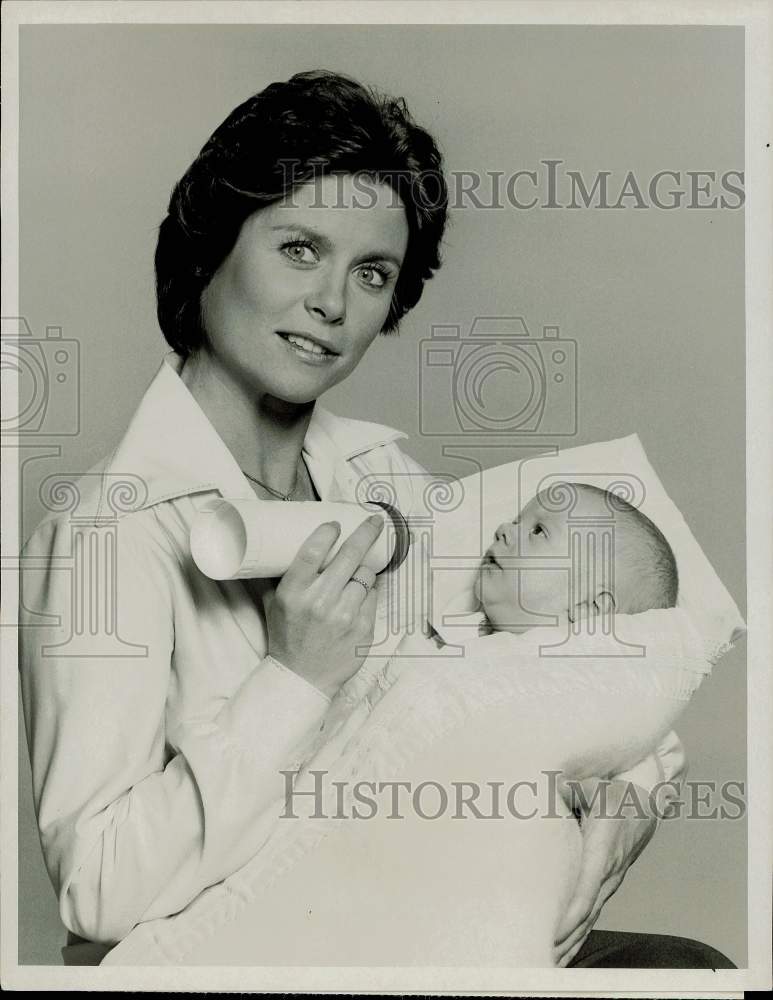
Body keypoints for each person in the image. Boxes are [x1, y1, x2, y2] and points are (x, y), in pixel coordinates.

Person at [18, 69, 732, 969]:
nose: (334, 304)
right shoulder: (105, 535)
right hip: (240, 957)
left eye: (371, 272)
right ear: (210, 244)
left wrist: (623, 809)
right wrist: (292, 679)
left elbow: (561, 660)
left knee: (687, 968)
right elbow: (99, 889)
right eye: (299, 249)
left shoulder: (379, 474)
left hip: (423, 919)